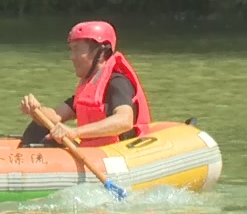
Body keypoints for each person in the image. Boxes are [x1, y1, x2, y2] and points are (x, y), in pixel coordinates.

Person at [18, 21, 152, 148]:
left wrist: (75, 132)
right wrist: (36, 110)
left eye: (77, 50)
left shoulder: (118, 82)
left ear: (100, 52)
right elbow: (55, 116)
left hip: (117, 154)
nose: (71, 56)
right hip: (93, 151)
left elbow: (124, 120)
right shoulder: (87, 87)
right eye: (71, 50)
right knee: (38, 128)